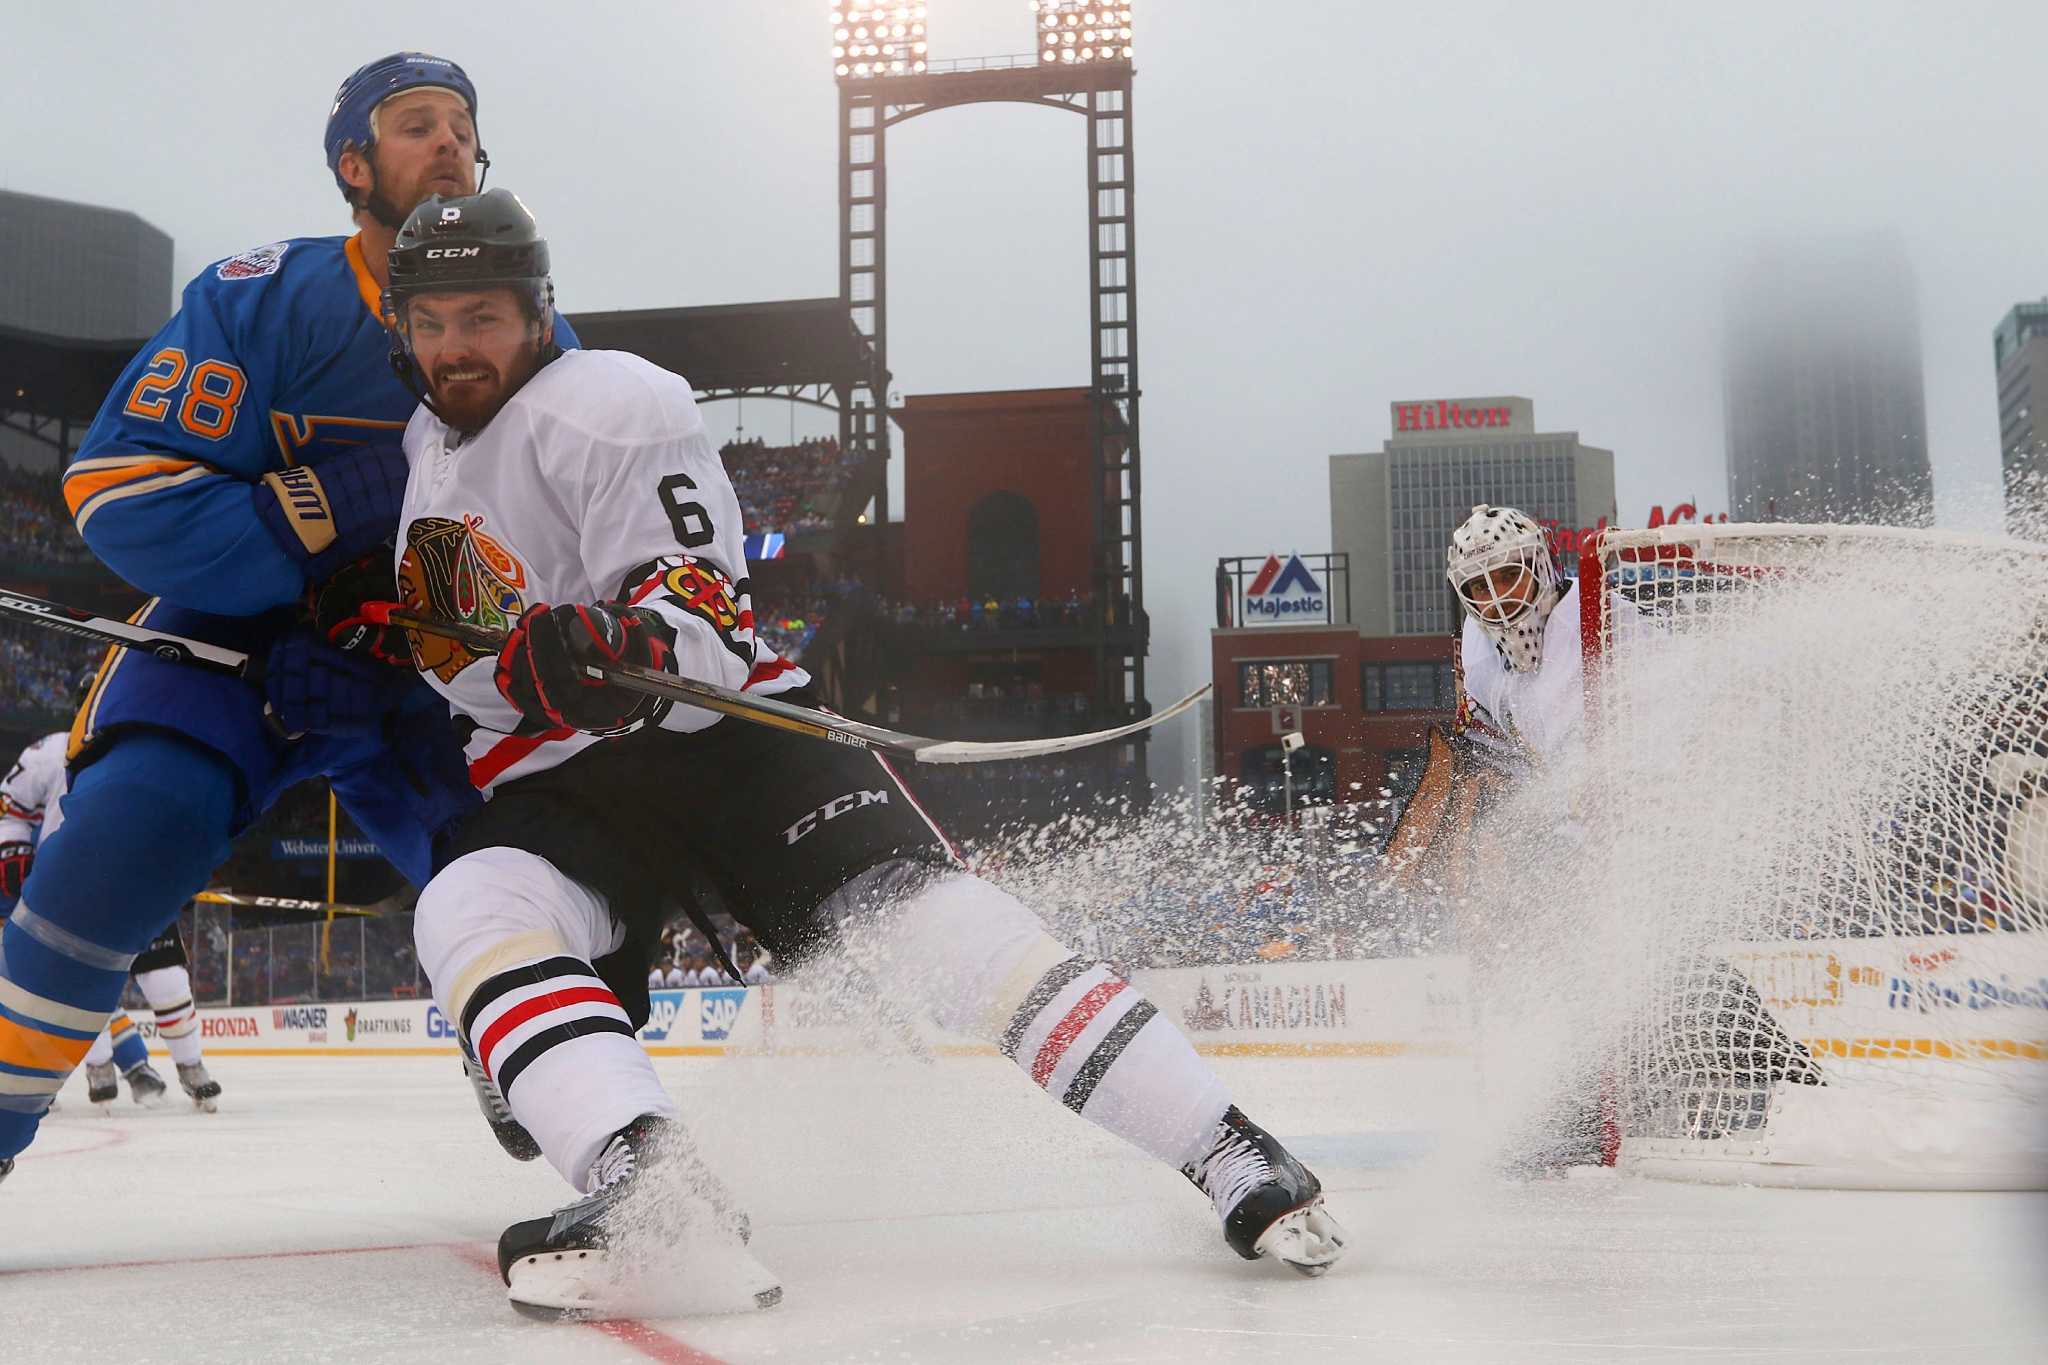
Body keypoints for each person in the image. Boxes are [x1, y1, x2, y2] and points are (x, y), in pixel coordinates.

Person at [380, 190, 1346, 1318]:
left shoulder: (610, 400)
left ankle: (1229, 1152)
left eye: (481, 317)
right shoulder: (422, 441)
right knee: (466, 911)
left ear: (539, 313)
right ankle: (648, 1186)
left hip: (719, 738)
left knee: (929, 925)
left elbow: (700, 598)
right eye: (433, 321)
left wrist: (630, 637)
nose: (455, 346)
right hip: (558, 779)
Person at [0, 52, 577, 1187]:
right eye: (418, 125)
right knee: (108, 859)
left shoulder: (550, 343)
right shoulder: (258, 297)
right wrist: (308, 523)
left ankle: (595, 1122)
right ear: (353, 165)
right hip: (236, 648)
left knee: (531, 886)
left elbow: (568, 543)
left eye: (462, 125)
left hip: (430, 668)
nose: (450, 142)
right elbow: (116, 490)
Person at [1403, 504, 1822, 1170]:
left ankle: (1785, 1077)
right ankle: (1588, 1104)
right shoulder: (1477, 646)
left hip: (1651, 824)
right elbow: (1494, 738)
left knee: (1661, 962)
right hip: (1570, 833)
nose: (1494, 598)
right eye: (1476, 587)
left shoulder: (1617, 623)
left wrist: (1641, 784)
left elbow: (1692, 713)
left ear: (1540, 564)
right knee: (1570, 969)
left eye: (1507, 576)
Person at [1, 703, 219, 1111]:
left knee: (166, 978)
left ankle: (191, 1067)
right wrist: (12, 847)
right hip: (69, 886)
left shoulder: (152, 754)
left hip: (140, 879)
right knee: (77, 986)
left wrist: (181, 862)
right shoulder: (51, 750)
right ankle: (100, 1068)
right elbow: (11, 804)